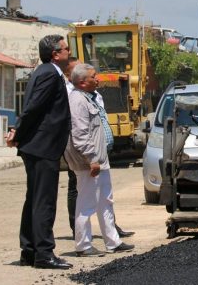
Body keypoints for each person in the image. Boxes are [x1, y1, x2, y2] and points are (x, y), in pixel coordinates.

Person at [7, 35, 73, 270]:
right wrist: (17, 131)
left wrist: (19, 132)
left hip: (38, 145)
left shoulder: (46, 71)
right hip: (42, 146)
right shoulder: (48, 73)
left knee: (34, 200)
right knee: (44, 202)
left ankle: (30, 251)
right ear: (56, 54)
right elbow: (33, 107)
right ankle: (44, 254)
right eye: (66, 49)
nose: (69, 52)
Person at [64, 63, 134, 256]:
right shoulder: (77, 100)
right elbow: (80, 134)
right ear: (82, 82)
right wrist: (92, 159)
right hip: (89, 161)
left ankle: (113, 241)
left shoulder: (91, 98)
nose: (98, 79)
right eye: (94, 76)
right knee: (87, 203)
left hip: (100, 158)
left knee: (106, 200)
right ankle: (83, 246)